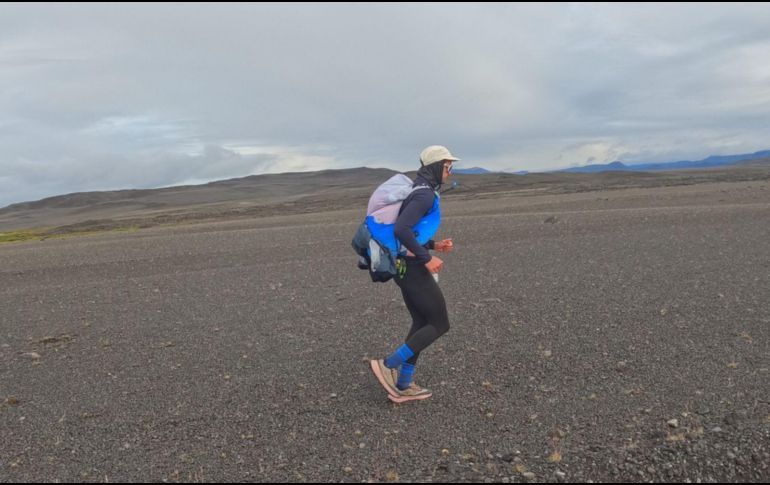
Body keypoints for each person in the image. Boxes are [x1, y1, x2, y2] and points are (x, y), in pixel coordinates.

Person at [370, 145, 458, 403]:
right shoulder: (424, 196)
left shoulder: (420, 191)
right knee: (440, 323)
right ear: (435, 167)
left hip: (403, 265)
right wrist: (426, 258)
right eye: (447, 166)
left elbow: (411, 232)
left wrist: (433, 245)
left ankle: (404, 384)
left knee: (422, 323)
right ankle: (388, 365)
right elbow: (401, 230)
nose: (449, 171)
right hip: (411, 268)